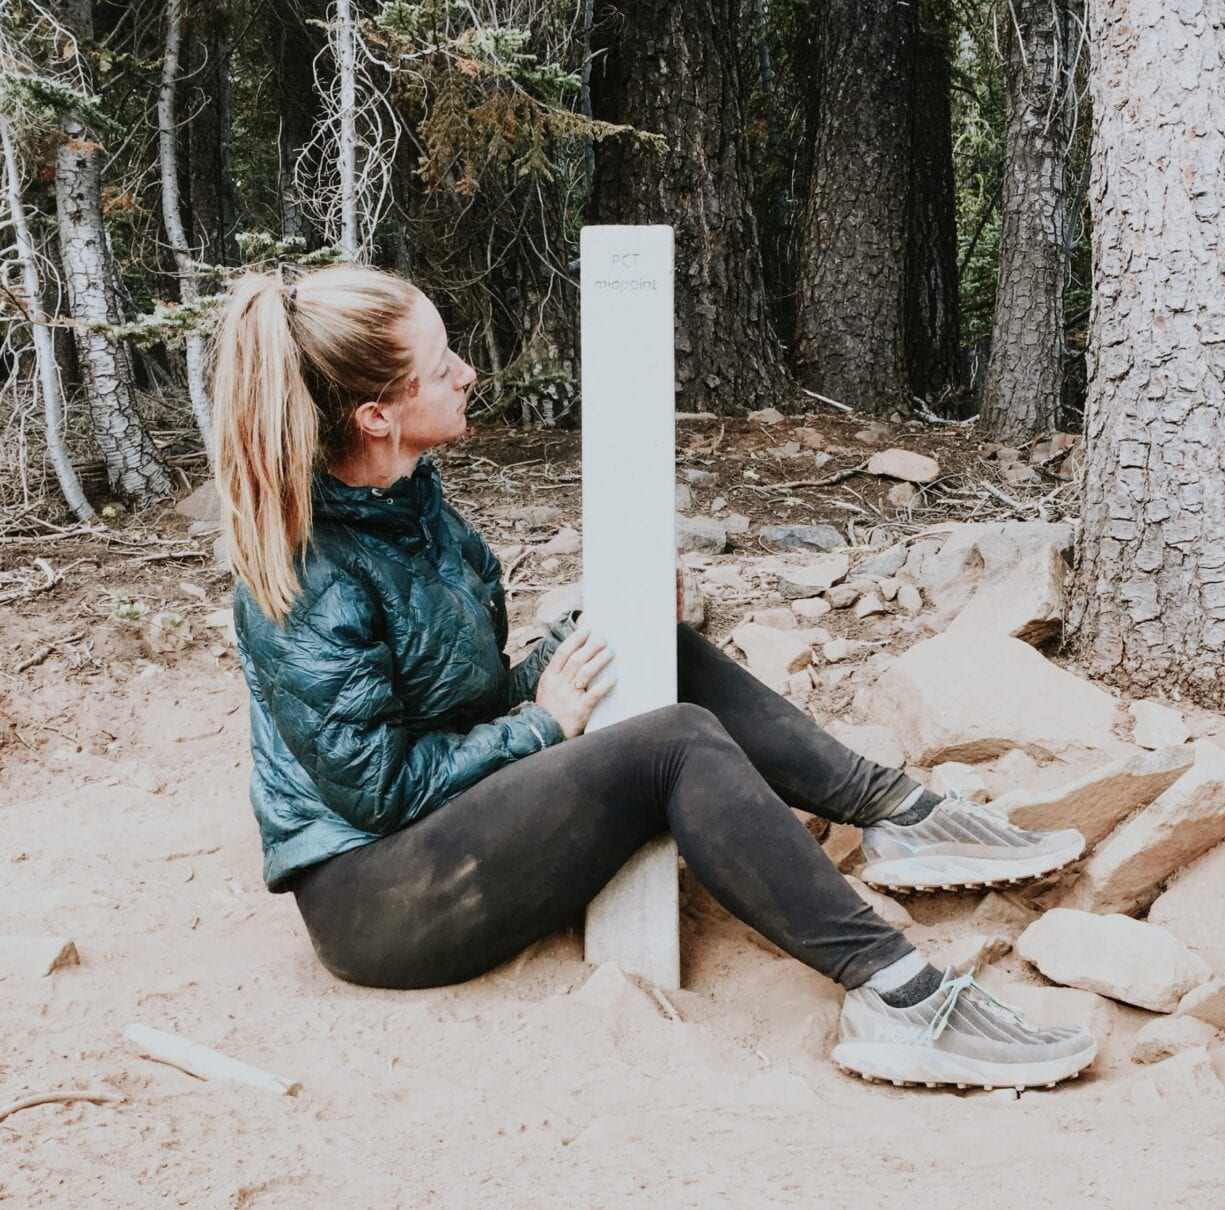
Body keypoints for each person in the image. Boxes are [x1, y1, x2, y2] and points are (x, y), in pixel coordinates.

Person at [212, 263, 1096, 1091]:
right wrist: (541, 726)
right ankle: (897, 995)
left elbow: (462, 705)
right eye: (443, 368)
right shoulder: (308, 577)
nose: (469, 372)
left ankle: (899, 817)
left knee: (649, 646)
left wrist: (607, 622)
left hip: (444, 834)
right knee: (674, 745)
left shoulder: (412, 507)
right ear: (377, 415)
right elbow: (380, 791)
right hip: (384, 901)